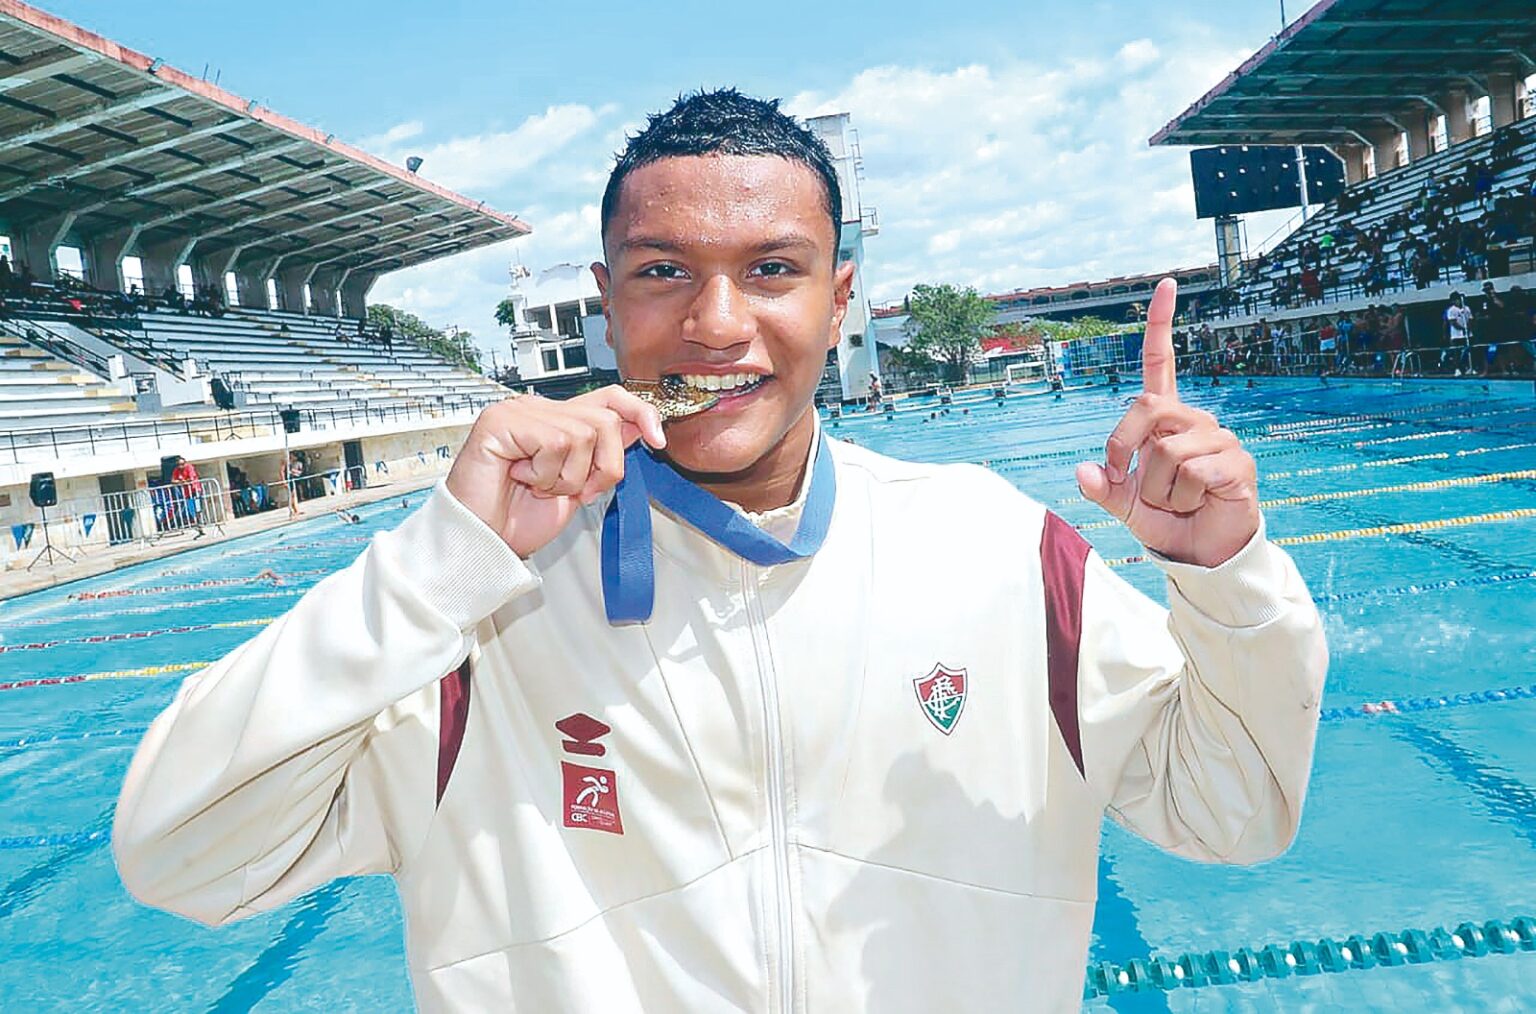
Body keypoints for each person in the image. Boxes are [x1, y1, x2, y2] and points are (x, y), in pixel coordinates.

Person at [113, 89, 1326, 1013]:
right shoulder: (474, 615)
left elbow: (1235, 813)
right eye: (663, 274)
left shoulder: (1004, 555)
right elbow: (179, 852)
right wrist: (440, 564)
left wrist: (1225, 582)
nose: (716, 322)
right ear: (605, 299)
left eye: (773, 271)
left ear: (841, 300)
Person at [1442, 291, 1473, 375]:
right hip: (1456, 335)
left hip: (1467, 334)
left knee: (1468, 351)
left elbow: (1470, 319)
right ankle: (1457, 369)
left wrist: (1468, 329)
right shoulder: (1451, 310)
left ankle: (1469, 367)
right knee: (1457, 353)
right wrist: (1463, 329)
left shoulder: (1467, 308)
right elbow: (1453, 322)